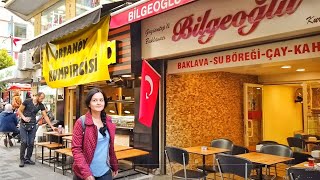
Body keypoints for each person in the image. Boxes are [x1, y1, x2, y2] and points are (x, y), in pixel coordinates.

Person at [72, 88, 118, 180]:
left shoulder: (108, 120)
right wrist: (86, 173)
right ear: (89, 104)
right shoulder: (81, 122)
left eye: (101, 100)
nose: (98, 103)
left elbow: (110, 147)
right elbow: (76, 149)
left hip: (105, 172)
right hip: (85, 174)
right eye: (94, 100)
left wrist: (114, 165)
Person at [17, 92, 57, 167]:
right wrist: (24, 118)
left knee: (31, 142)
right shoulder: (27, 101)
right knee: (24, 142)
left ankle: (28, 158)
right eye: (41, 98)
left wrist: (52, 126)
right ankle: (22, 159)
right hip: (23, 125)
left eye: (43, 99)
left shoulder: (40, 105)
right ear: (37, 96)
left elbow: (45, 116)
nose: (42, 100)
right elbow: (19, 111)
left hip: (32, 125)